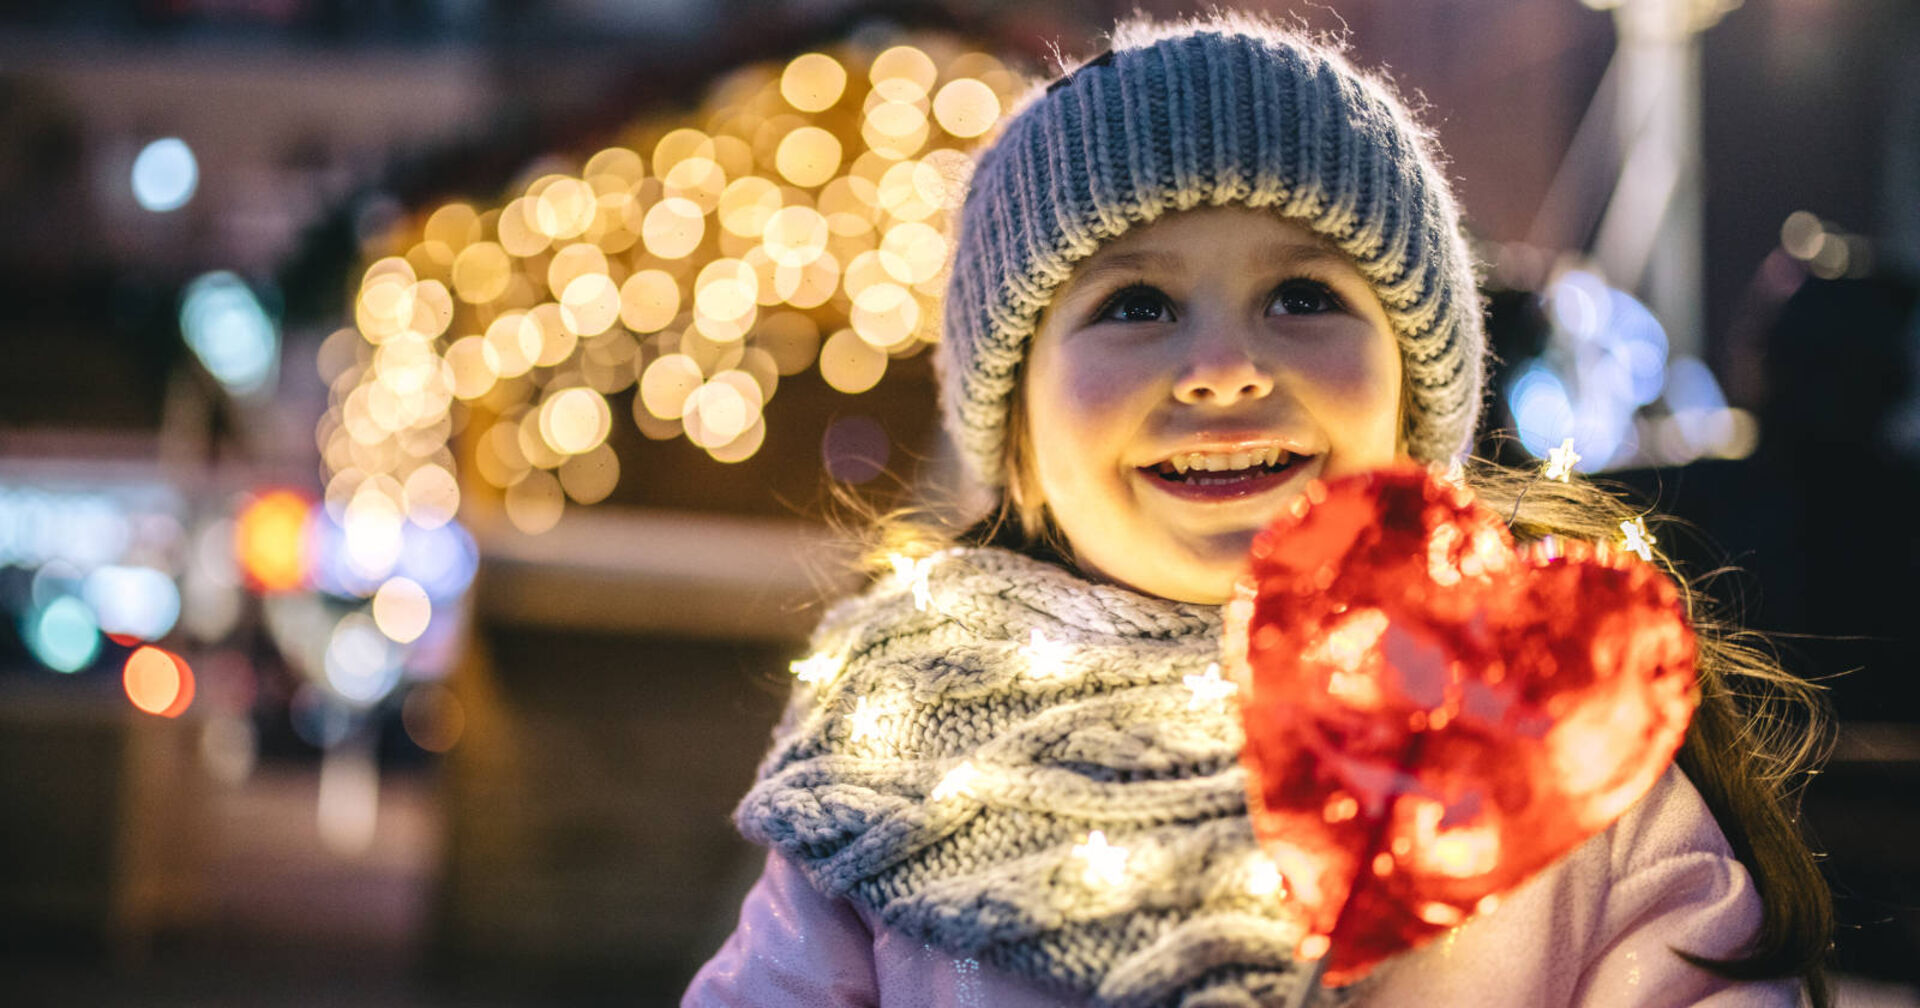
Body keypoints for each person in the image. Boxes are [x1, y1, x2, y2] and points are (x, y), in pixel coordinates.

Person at [684, 13, 1831, 1006]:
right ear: (1017, 435)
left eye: (1301, 294)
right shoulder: (894, 756)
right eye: (1136, 303)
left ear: (1415, 392)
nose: (1225, 369)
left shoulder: (1552, 718)